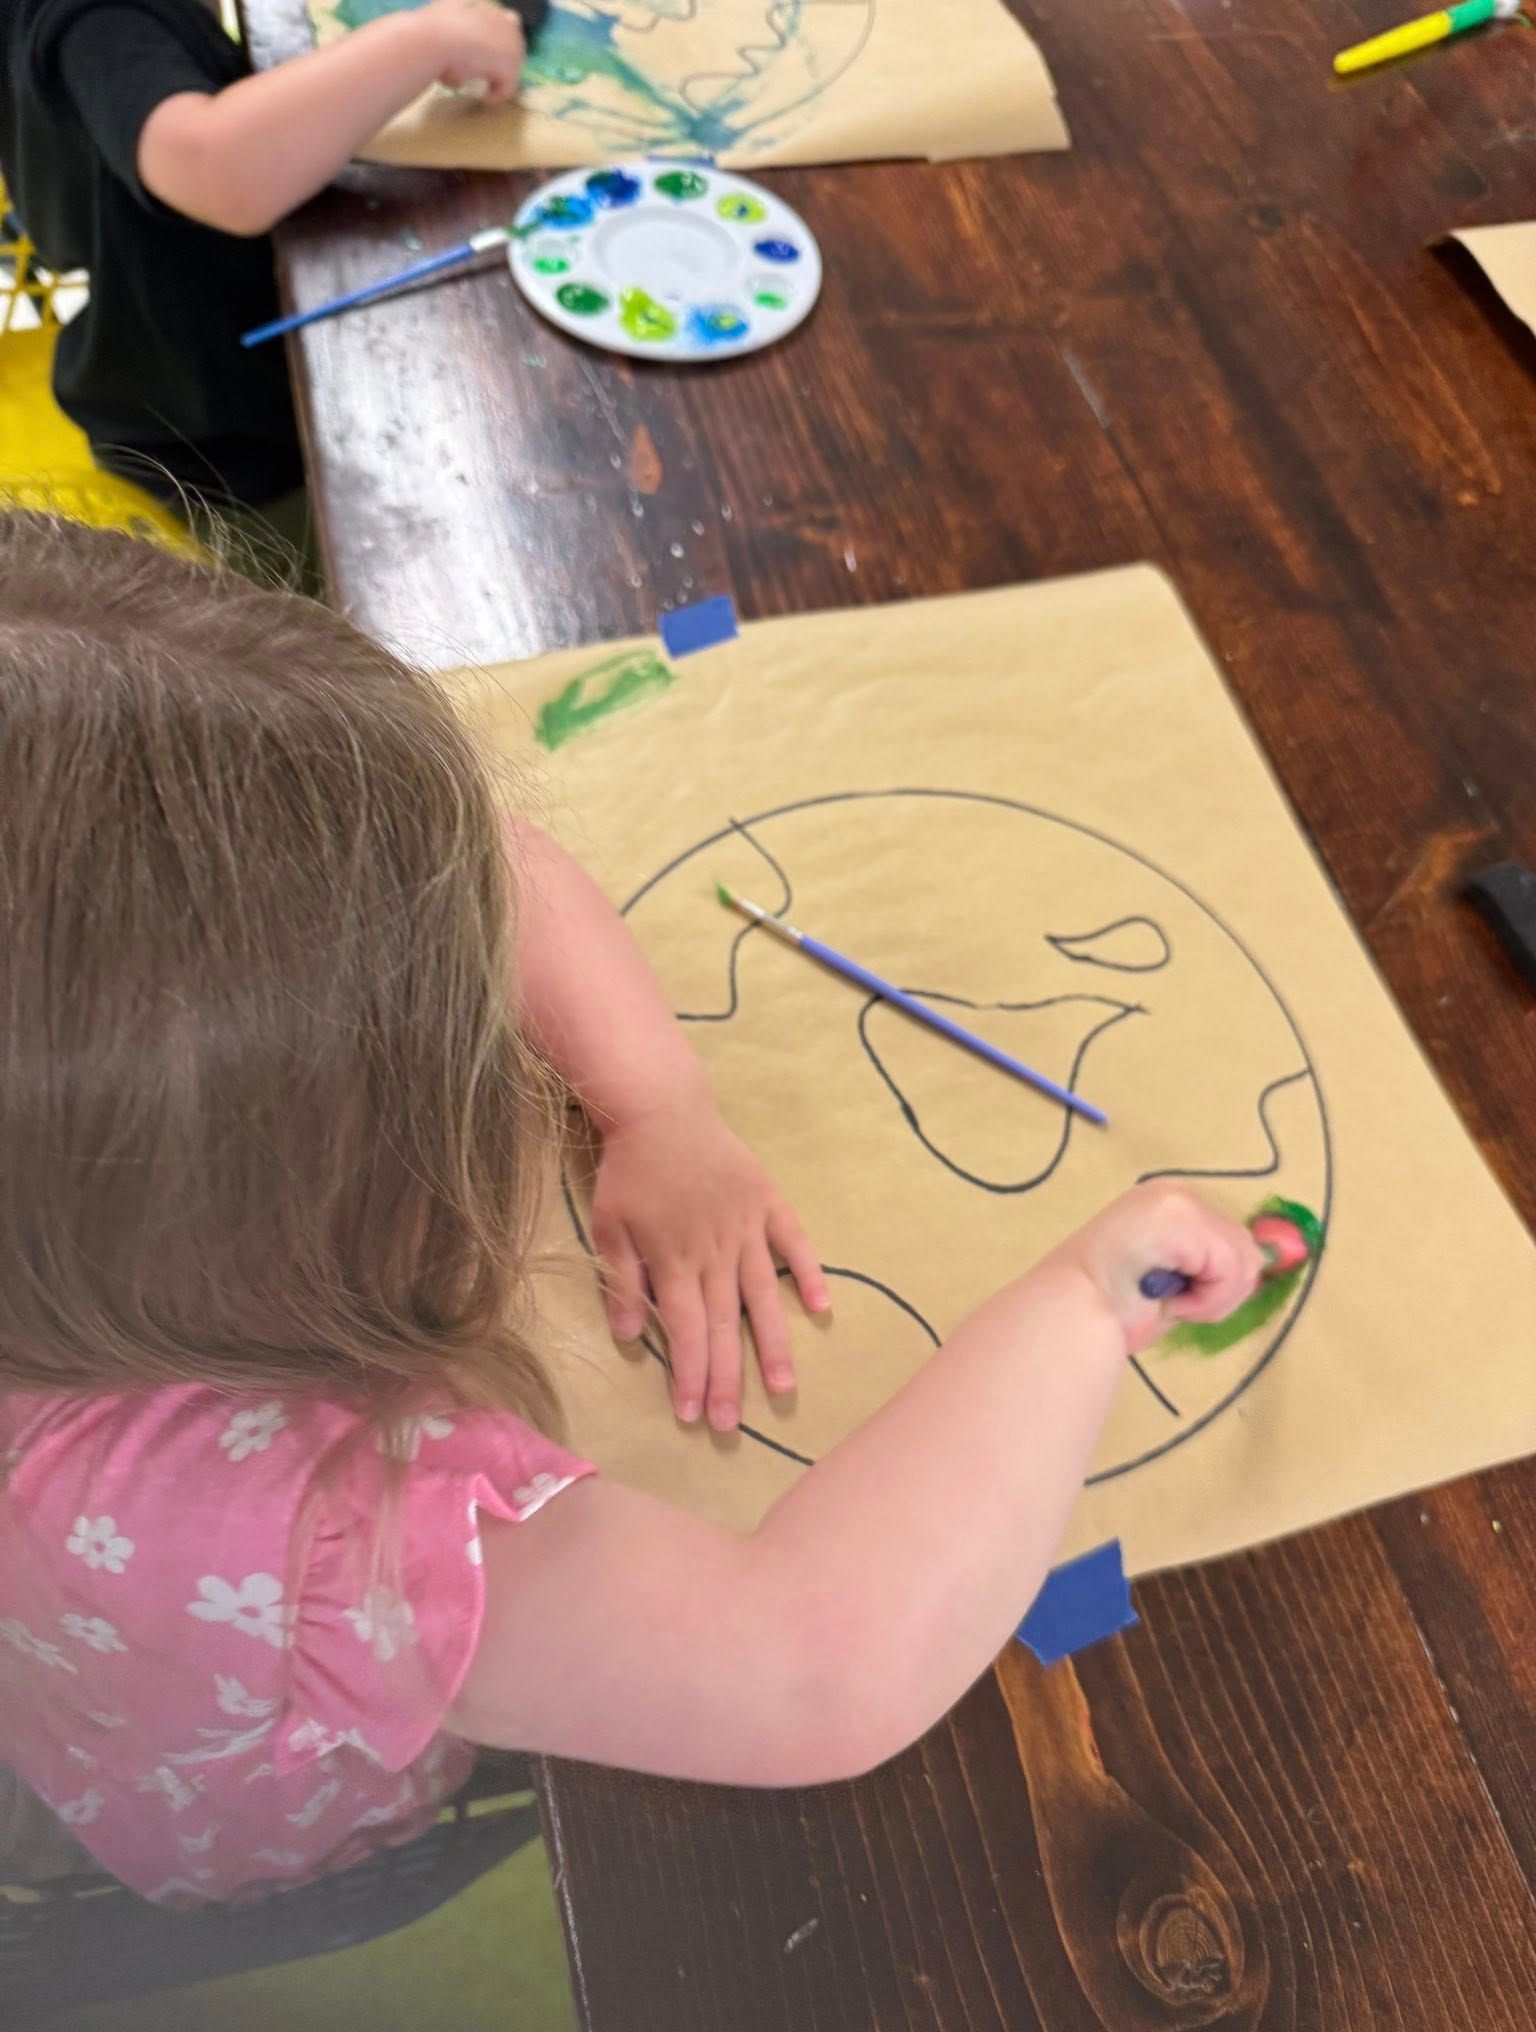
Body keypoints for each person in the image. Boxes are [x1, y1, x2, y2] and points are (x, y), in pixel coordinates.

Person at [0, 514, 1263, 1906]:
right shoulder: (292, 1527)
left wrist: (658, 1106)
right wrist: (1089, 1300)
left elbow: (495, 867)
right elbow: (813, 1666)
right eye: (443, 1065)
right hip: (279, 1827)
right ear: (275, 1216)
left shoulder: (61, 1186)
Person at [0, 0, 541, 544]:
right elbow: (215, 167)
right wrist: (426, 41)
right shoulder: (99, 21)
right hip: (231, 455)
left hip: (183, 347)